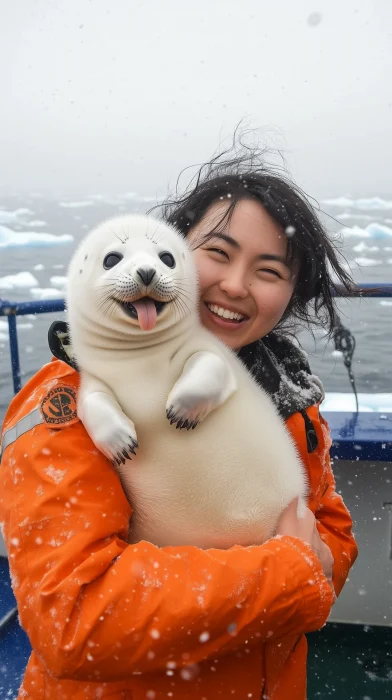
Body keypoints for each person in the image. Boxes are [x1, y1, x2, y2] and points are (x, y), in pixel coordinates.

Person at [0, 138, 358, 700]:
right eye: (216, 252)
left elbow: (331, 533)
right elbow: (73, 620)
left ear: (290, 295)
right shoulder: (69, 405)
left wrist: (308, 566)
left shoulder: (284, 394)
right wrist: (290, 573)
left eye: (269, 270)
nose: (235, 285)